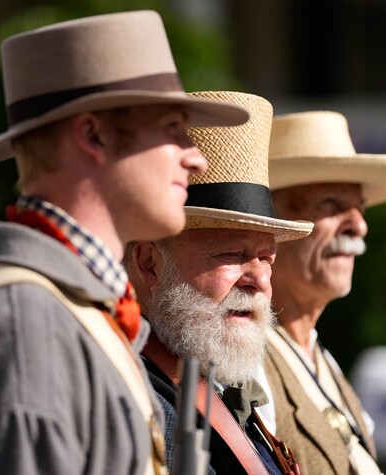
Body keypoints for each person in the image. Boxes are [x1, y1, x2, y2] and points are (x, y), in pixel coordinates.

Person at [0, 11, 249, 475]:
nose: (196, 159)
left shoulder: (62, 315)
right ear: (92, 135)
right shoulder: (26, 333)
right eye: (171, 128)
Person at [126, 91, 314, 475]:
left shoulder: (210, 385)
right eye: (230, 254)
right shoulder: (139, 402)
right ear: (149, 263)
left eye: (266, 258)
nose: (259, 279)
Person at [255, 110, 386, 475]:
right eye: (332, 205)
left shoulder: (324, 362)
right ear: (273, 226)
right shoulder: (244, 365)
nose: (359, 225)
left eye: (360, 208)